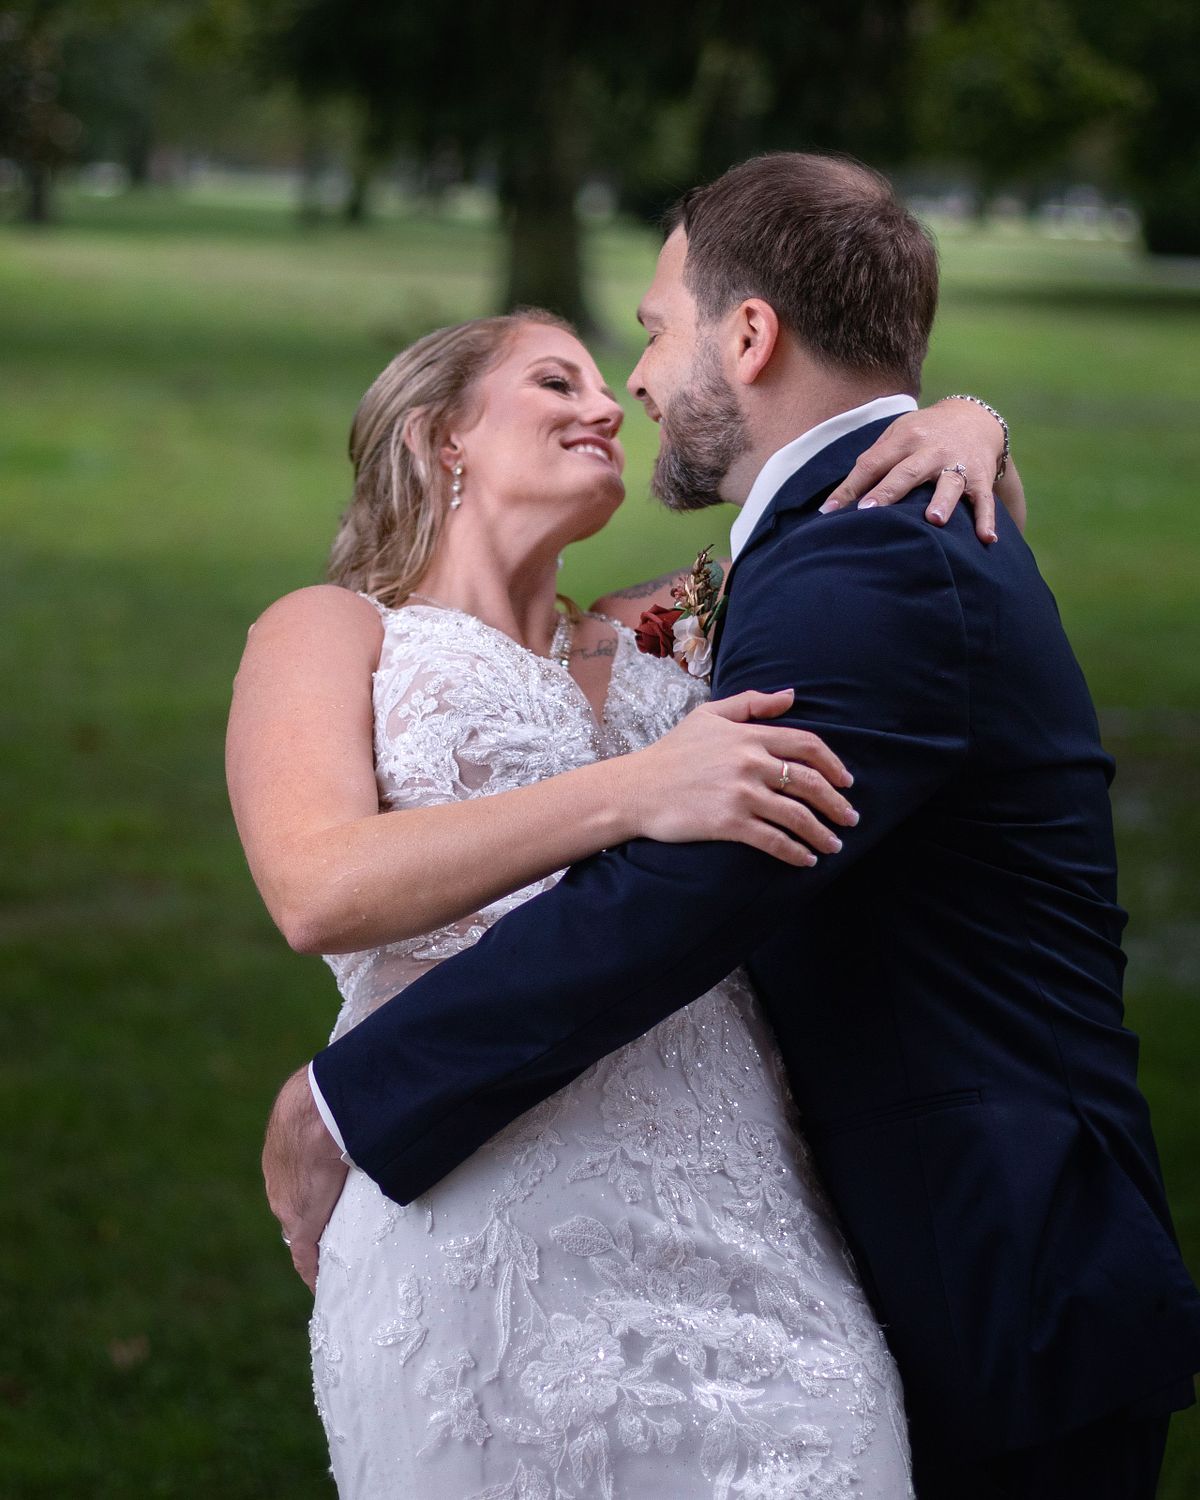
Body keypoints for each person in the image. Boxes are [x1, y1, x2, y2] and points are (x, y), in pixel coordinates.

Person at [264, 152, 1200, 1499]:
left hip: (987, 1273)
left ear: (749, 335)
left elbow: (675, 898)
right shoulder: (829, 548)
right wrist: (963, 414)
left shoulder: (868, 557)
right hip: (838, 1251)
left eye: (648, 336)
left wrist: (347, 1100)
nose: (632, 386)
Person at [229, 312, 1016, 1493]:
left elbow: (872, 526)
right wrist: (637, 789)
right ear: (441, 433)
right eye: (558, 381)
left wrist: (967, 421)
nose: (606, 407)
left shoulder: (670, 629)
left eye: (610, 385)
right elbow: (318, 885)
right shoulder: (333, 630)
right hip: (478, 1230)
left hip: (751, 1227)